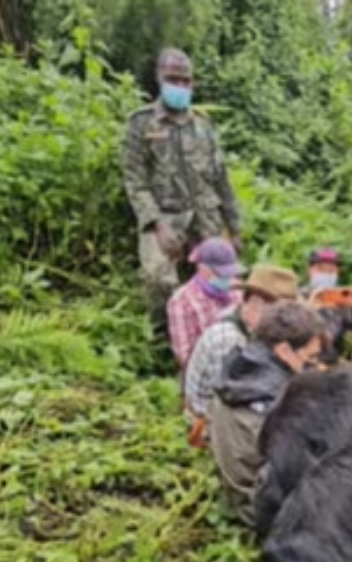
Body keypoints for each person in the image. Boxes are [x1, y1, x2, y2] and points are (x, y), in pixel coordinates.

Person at [121, 48, 243, 348]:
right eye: (173, 79)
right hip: (163, 216)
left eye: (186, 81)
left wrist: (235, 228)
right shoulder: (141, 124)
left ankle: (220, 337)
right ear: (159, 79)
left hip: (205, 217)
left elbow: (221, 178)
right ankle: (166, 341)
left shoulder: (203, 125)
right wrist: (157, 224)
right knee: (158, 278)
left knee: (226, 279)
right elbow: (135, 182)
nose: (180, 86)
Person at [208, 301, 325, 527]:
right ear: (283, 350)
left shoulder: (239, 366)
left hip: (235, 484)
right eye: (309, 357)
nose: (314, 363)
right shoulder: (279, 400)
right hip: (259, 509)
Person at [183, 265, 300, 447]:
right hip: (208, 422)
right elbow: (232, 399)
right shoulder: (230, 341)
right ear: (256, 305)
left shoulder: (246, 322)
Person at [167, 237, 244, 376]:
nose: (226, 278)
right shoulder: (182, 302)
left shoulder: (238, 290)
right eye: (220, 273)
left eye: (229, 273)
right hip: (205, 373)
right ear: (202, 267)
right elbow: (184, 355)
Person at [301, 247, 352, 362]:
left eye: (331, 271)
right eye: (321, 270)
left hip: (331, 360)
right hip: (302, 357)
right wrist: (310, 307)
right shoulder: (298, 296)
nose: (326, 275)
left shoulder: (341, 298)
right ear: (310, 270)